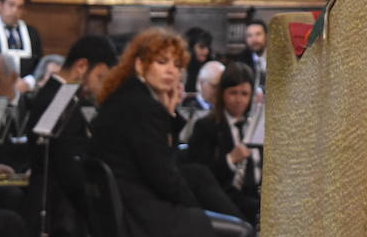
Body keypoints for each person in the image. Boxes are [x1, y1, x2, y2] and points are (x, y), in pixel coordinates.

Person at [89, 28, 251, 237]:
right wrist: (196, 211)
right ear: (140, 65)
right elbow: (163, 175)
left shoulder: (125, 97)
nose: (171, 71)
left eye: (177, 65)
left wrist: (169, 111)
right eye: (161, 62)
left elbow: (165, 162)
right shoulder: (142, 107)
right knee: (241, 231)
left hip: (124, 202)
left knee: (197, 174)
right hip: (139, 212)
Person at [20, 35, 118, 237]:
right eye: (100, 77)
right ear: (81, 66)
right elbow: (67, 165)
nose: (101, 87)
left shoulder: (68, 97)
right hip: (57, 210)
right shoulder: (59, 99)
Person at [186, 62, 260, 226]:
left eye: (244, 94)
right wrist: (230, 159)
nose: (239, 99)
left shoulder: (256, 126)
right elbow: (198, 176)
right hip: (224, 198)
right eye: (233, 93)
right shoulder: (206, 127)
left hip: (257, 195)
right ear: (222, 94)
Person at [231, 19, 267, 92]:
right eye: (249, 36)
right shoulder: (239, 61)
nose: (254, 39)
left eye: (258, 34)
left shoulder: (277, 57)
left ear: (266, 36)